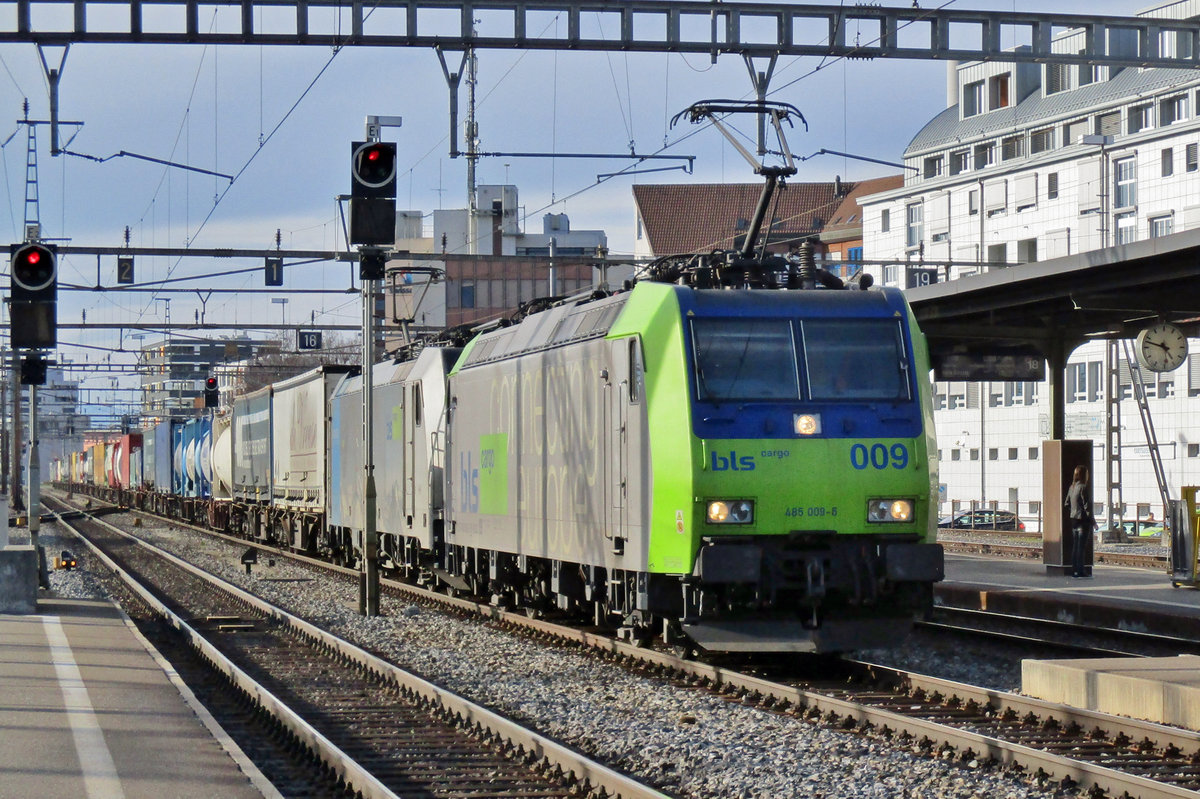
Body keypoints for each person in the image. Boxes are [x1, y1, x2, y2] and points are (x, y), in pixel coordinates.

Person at [1064, 465, 1097, 578]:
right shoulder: (1083, 487)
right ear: (1084, 475)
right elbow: (1087, 507)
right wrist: (1093, 522)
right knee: (1081, 547)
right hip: (1083, 520)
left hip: (1073, 520)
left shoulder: (1072, 487)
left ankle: (1074, 570)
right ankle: (1081, 570)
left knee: (1075, 546)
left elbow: (1066, 503)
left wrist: (1073, 511)